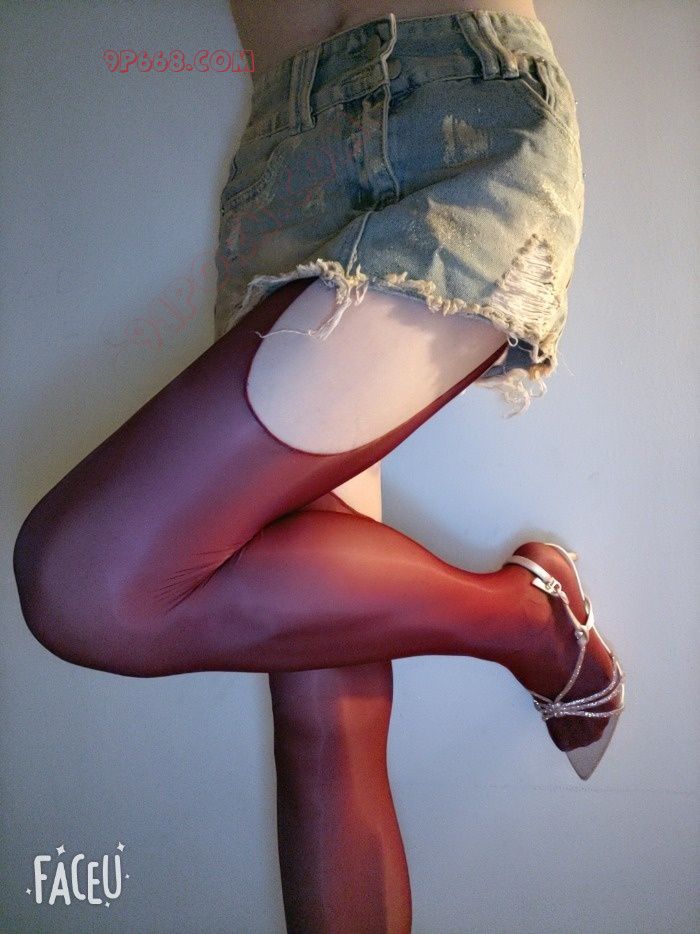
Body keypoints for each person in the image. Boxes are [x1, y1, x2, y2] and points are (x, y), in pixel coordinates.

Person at [13, 2, 626, 931]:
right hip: (285, 173)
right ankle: (527, 622)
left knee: (83, 584)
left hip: (465, 115)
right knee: (321, 718)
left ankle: (532, 627)